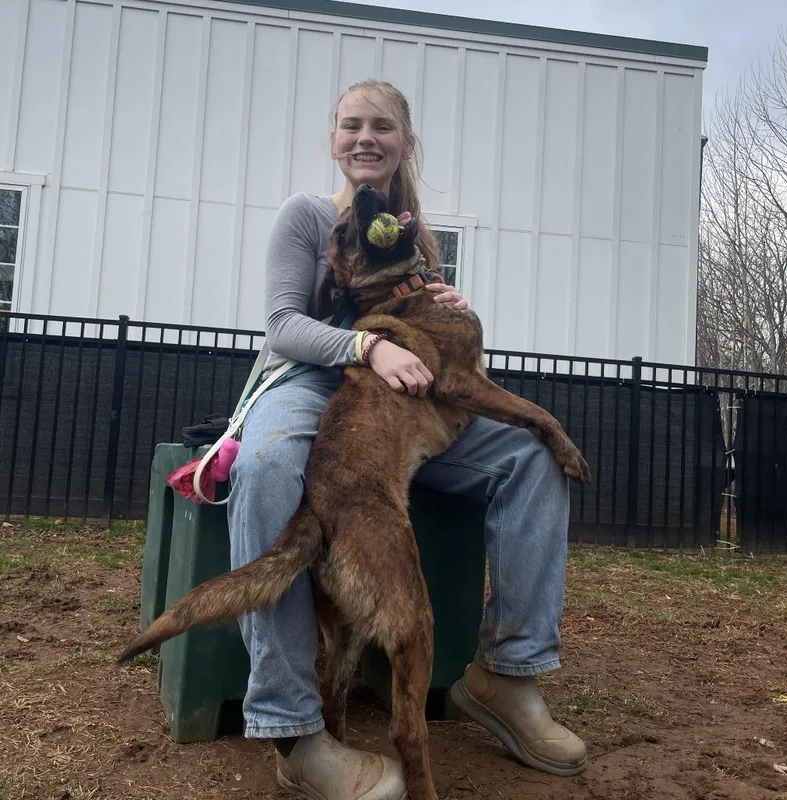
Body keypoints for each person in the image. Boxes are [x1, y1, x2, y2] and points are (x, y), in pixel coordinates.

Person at [228, 78, 587, 800]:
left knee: (530, 456)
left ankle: (507, 677)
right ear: (333, 140)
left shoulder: (412, 229)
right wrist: (367, 351)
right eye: (352, 125)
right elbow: (282, 327)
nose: (366, 138)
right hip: (309, 383)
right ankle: (290, 725)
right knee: (266, 468)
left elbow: (424, 331)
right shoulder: (304, 216)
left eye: (382, 127)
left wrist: (444, 299)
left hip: (400, 402)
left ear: (405, 143)